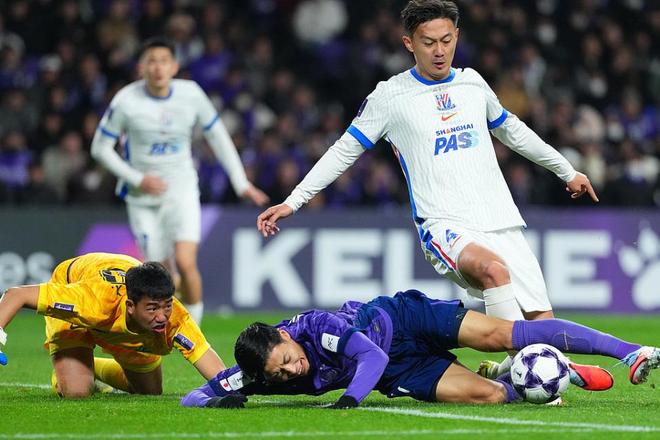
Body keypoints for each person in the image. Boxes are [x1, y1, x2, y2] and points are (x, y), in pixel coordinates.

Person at [256, 0, 598, 379]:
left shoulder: (472, 83)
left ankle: (512, 369)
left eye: (446, 41)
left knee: (541, 323)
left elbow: (512, 130)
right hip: (443, 223)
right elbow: (344, 150)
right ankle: (524, 373)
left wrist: (566, 170)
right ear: (409, 43)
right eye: (429, 42)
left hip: (499, 217)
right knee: (493, 270)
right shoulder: (390, 96)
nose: (439, 51)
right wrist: (294, 201)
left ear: (457, 37)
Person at [181, 289, 659, 408]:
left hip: (402, 322)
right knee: (491, 397)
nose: (292, 372)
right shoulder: (261, 372)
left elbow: (370, 357)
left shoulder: (317, 329)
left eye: (288, 361)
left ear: (285, 338)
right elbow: (194, 396)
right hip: (396, 371)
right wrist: (218, 401)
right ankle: (543, 373)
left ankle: (630, 351)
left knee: (502, 333)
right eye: (280, 374)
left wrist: (350, 401)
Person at [91, 37, 268, 325]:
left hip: (181, 190)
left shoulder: (191, 95)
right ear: (141, 67)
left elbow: (218, 137)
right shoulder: (126, 101)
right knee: (160, 274)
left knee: (186, 262)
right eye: (151, 61)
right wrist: (138, 178)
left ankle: (193, 332)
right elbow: (99, 148)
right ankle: (170, 322)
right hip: (142, 198)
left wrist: (240, 182)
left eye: (164, 61)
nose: (157, 67)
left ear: (174, 66)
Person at [0, 252, 227, 398]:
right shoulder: (90, 301)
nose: (162, 316)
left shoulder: (176, 318)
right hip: (78, 283)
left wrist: (232, 388)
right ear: (131, 306)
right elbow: (16, 295)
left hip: (124, 311)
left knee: (150, 392)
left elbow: (209, 363)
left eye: (167, 306)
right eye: (152, 308)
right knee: (77, 392)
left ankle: (93, 368)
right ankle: (68, 372)